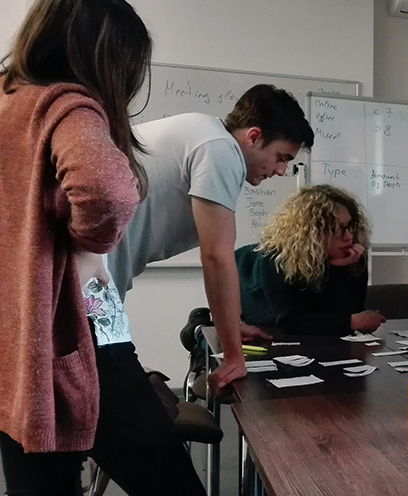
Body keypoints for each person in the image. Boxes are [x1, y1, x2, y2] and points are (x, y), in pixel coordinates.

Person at [0, 1, 202, 494]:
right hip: (81, 328)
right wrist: (91, 244)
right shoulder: (65, 104)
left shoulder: (8, 100)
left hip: (16, 338)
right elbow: (107, 189)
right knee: (172, 484)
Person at [107, 83, 314, 391]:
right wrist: (233, 356)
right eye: (281, 157)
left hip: (92, 276)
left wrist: (231, 325)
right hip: (85, 281)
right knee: (128, 413)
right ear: (254, 137)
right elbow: (216, 256)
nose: (282, 171)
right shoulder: (220, 150)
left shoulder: (204, 133)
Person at [235, 184, 386, 335]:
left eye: (349, 226)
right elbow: (290, 322)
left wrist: (340, 270)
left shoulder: (353, 255)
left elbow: (350, 312)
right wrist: (352, 322)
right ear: (312, 233)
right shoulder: (275, 258)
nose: (348, 236)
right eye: (336, 228)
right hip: (263, 321)